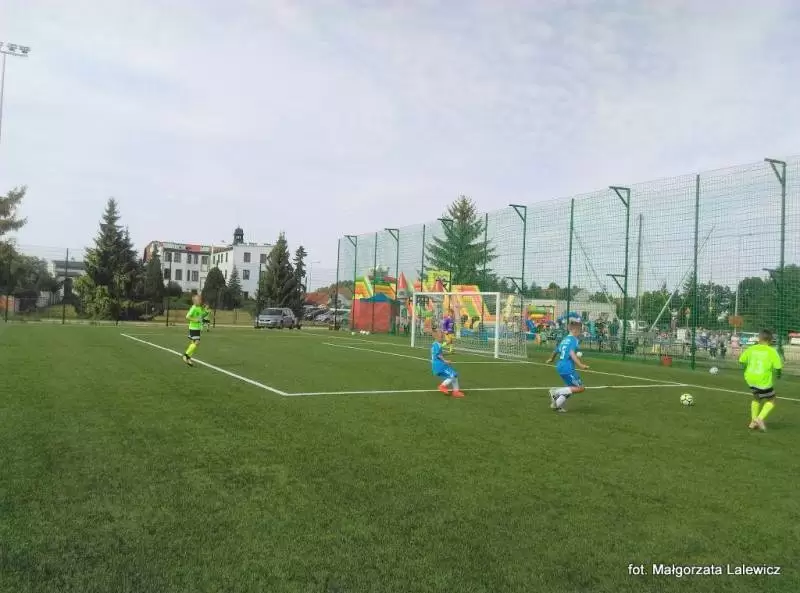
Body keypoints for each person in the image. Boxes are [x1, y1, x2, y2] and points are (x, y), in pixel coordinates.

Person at [739, 329, 783, 431]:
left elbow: (741, 361)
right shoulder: (772, 351)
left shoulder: (751, 349)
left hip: (750, 378)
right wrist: (779, 375)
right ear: (770, 340)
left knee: (756, 398)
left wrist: (745, 370)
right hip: (762, 380)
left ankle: (753, 422)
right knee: (772, 399)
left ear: (759, 338)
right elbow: (778, 367)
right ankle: (759, 419)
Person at [545, 321, 590, 412]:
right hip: (567, 367)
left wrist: (551, 359)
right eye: (580, 331)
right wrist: (581, 365)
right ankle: (555, 392)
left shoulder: (565, 339)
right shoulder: (574, 340)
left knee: (570, 388)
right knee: (580, 388)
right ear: (575, 330)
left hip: (560, 366)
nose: (580, 333)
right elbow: (571, 353)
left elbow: (555, 351)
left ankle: (556, 405)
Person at [431, 330, 464, 398]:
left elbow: (441, 347)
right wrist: (445, 361)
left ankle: (456, 391)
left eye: (442, 337)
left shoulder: (436, 344)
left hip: (438, 365)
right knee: (453, 375)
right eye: (441, 337)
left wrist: (447, 342)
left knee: (454, 375)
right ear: (437, 337)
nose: (443, 338)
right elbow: (438, 355)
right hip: (439, 365)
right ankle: (442, 386)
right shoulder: (436, 345)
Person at [183, 295, 205, 366]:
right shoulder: (193, 308)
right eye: (199, 300)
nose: (200, 301)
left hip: (197, 328)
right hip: (193, 328)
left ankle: (188, 358)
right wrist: (195, 320)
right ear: (195, 301)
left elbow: (200, 318)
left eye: (200, 300)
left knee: (193, 343)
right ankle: (185, 355)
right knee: (197, 342)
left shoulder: (199, 308)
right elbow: (187, 316)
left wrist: (201, 325)